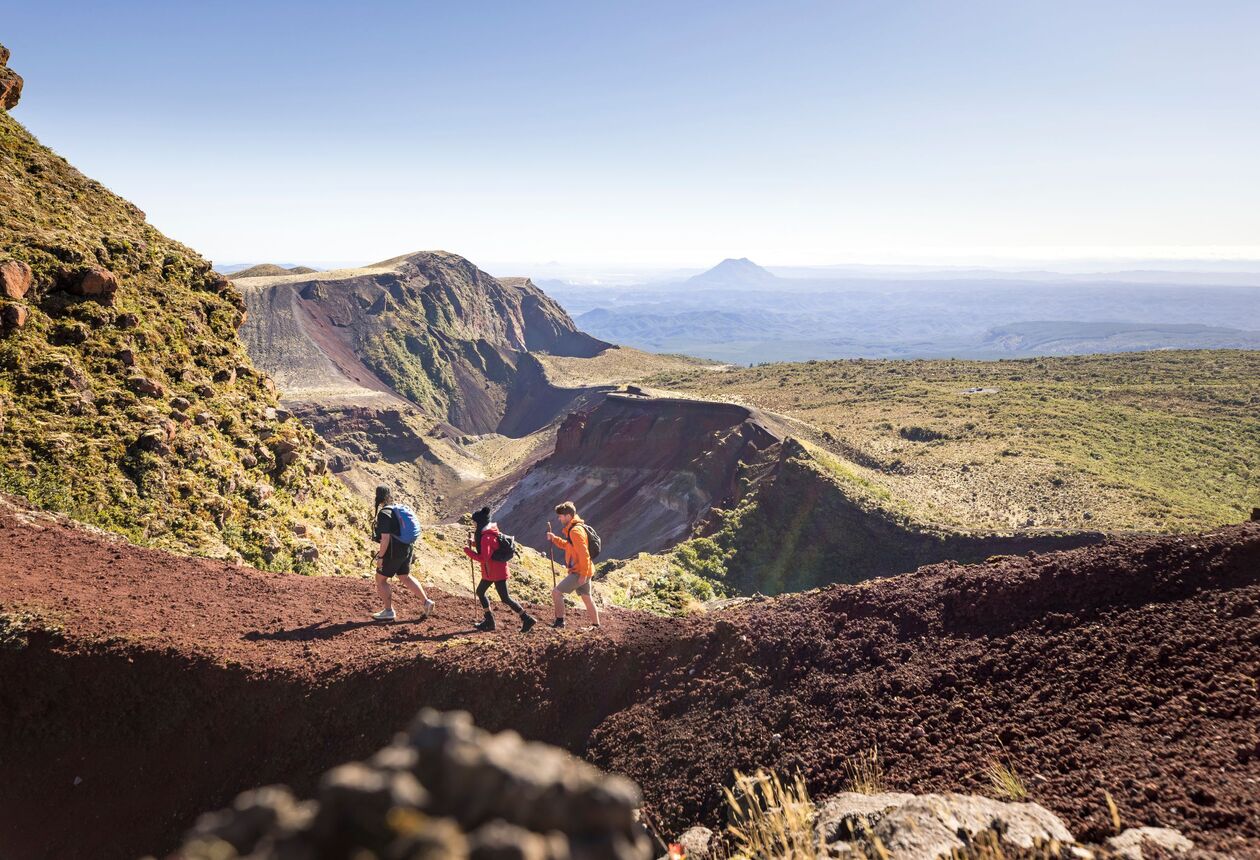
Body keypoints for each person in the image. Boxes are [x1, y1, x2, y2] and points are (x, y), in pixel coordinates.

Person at [464, 506, 536, 633]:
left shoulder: (486, 537)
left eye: (475, 522)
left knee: (504, 598)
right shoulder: (490, 533)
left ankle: (526, 619)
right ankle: (490, 621)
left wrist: (468, 551)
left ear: (480, 523)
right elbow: (491, 547)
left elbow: (484, 558)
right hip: (494, 571)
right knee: (482, 592)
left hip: (494, 572)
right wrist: (474, 543)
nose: (474, 524)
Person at [371, 485, 435, 621]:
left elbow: (385, 538)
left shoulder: (384, 513)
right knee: (404, 576)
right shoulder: (397, 508)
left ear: (378, 497)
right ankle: (426, 602)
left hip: (394, 550)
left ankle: (388, 611)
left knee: (380, 580)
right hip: (407, 547)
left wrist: (381, 557)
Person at [547, 501, 600, 629]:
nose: (559, 519)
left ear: (568, 516)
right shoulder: (574, 529)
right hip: (584, 570)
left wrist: (583, 575)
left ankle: (560, 622)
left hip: (579, 571)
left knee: (556, 592)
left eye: (560, 516)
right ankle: (596, 626)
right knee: (587, 598)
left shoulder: (575, 531)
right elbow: (569, 546)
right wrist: (555, 539)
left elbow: (584, 553)